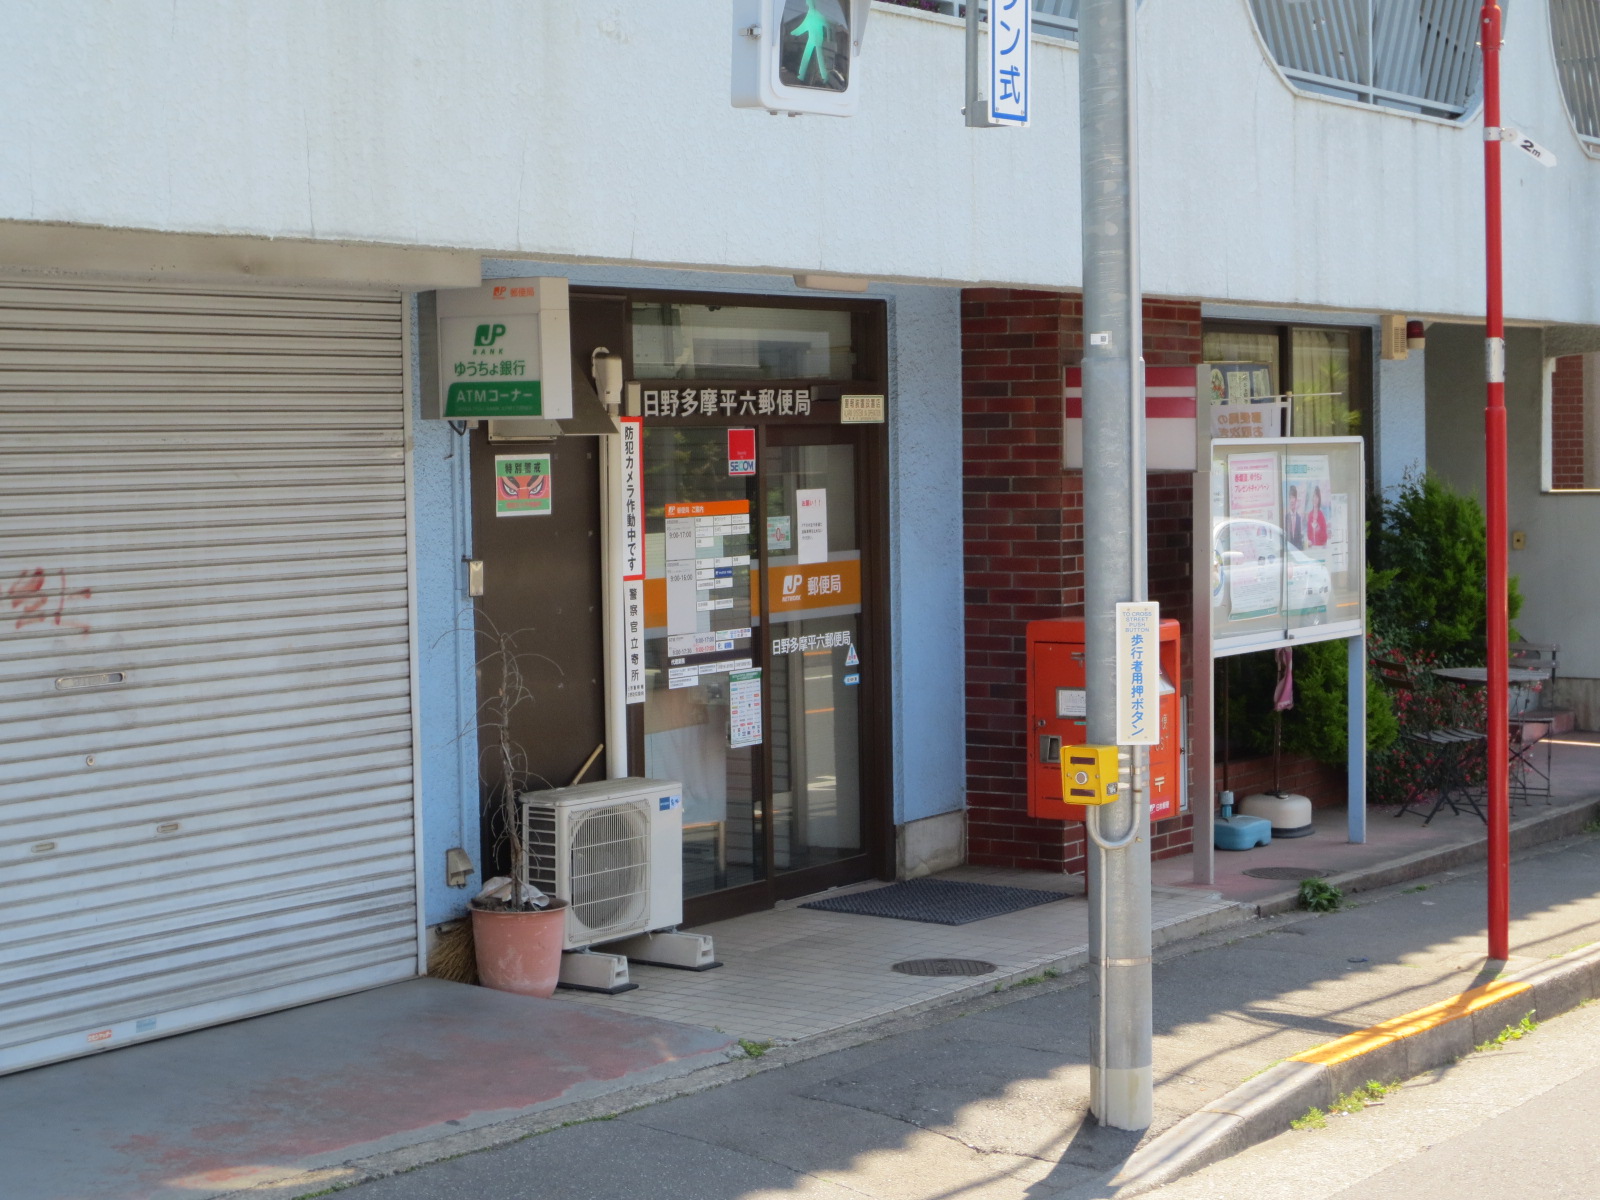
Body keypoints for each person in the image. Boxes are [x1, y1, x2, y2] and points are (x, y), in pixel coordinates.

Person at [1286, 485, 1305, 549]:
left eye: (1293, 497)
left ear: (1296, 499)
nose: (1291, 500)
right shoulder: (1286, 517)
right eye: (1290, 498)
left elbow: (1299, 539)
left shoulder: (1299, 518)